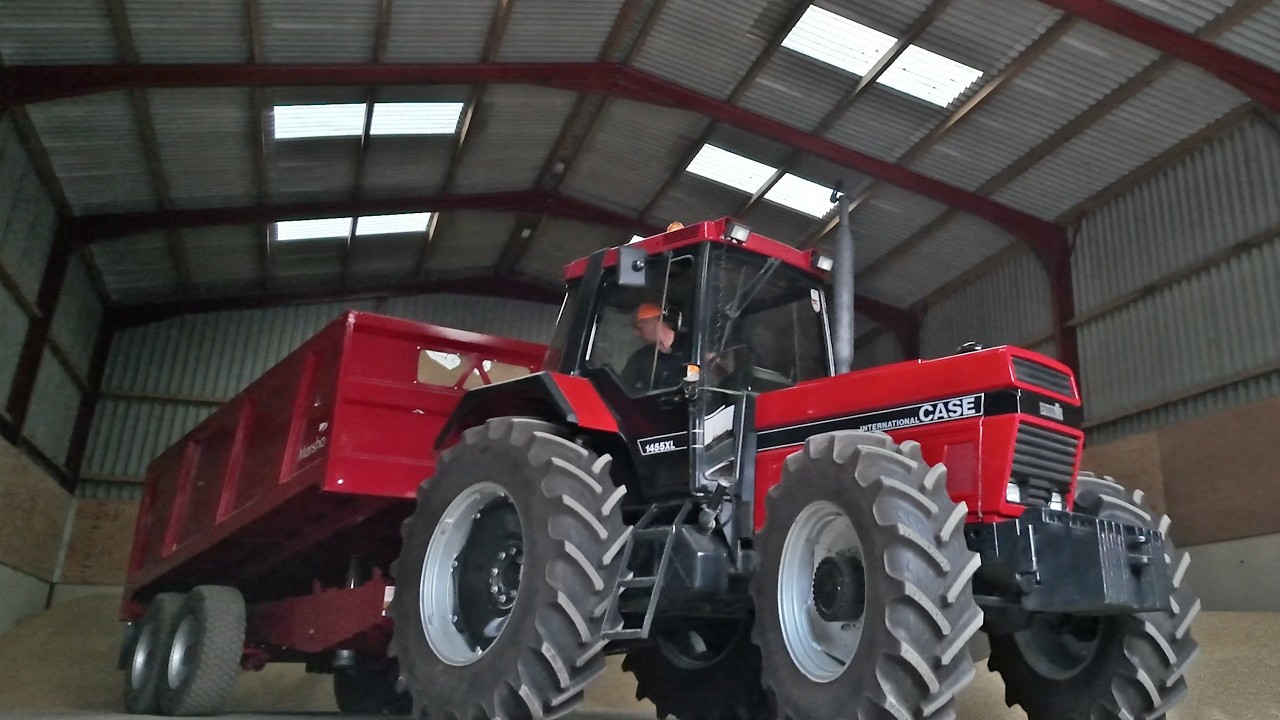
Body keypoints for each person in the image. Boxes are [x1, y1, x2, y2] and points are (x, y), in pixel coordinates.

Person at [620, 302, 690, 393]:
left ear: (653, 323)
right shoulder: (641, 357)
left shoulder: (692, 345)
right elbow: (623, 388)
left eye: (639, 328)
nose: (637, 334)